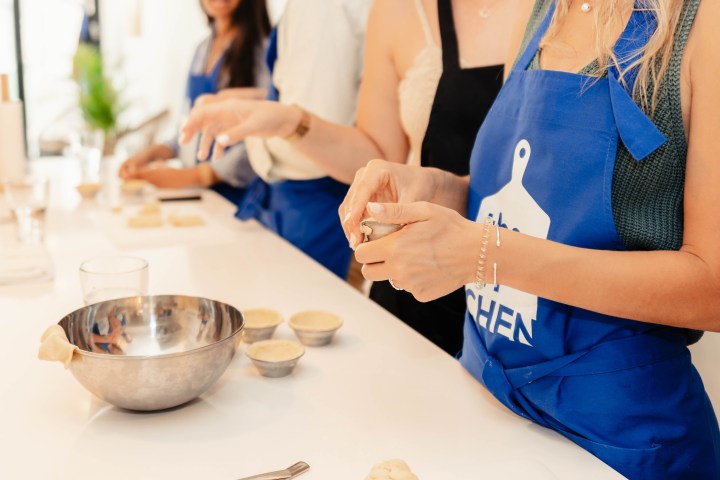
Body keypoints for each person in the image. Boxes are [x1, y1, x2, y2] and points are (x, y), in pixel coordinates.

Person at [339, 0, 720, 477]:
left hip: (617, 438)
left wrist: (487, 255)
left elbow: (713, 287)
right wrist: (440, 191)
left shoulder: (704, 23)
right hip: (487, 395)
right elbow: (524, 200)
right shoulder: (537, 11)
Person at [179, 0, 517, 354]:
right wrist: (287, 121)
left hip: (522, 290)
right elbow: (378, 155)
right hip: (418, 279)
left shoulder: (556, 12)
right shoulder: (396, 11)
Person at [118, 0, 270, 205]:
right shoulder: (201, 50)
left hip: (242, 195)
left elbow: (264, 132)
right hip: (200, 193)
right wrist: (151, 154)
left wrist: (199, 175)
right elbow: (189, 124)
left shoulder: (262, 50)